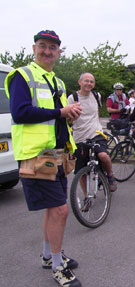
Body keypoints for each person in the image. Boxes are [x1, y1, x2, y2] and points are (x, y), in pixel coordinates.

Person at [5, 30, 82, 287]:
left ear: (59, 52)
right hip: (35, 153)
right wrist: (62, 111)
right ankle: (58, 266)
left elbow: (57, 117)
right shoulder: (22, 76)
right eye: (43, 46)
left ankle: (49, 256)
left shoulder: (57, 82)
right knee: (60, 209)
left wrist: (70, 116)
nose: (47, 51)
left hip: (56, 152)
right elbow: (20, 112)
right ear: (34, 48)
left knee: (54, 208)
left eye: (52, 48)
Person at [68, 72, 118, 199]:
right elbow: (68, 120)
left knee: (103, 156)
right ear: (80, 82)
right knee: (81, 171)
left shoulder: (96, 95)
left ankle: (110, 176)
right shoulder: (72, 98)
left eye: (91, 81)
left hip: (96, 133)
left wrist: (97, 126)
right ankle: (86, 197)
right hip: (79, 137)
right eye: (86, 81)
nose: (89, 83)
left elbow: (96, 113)